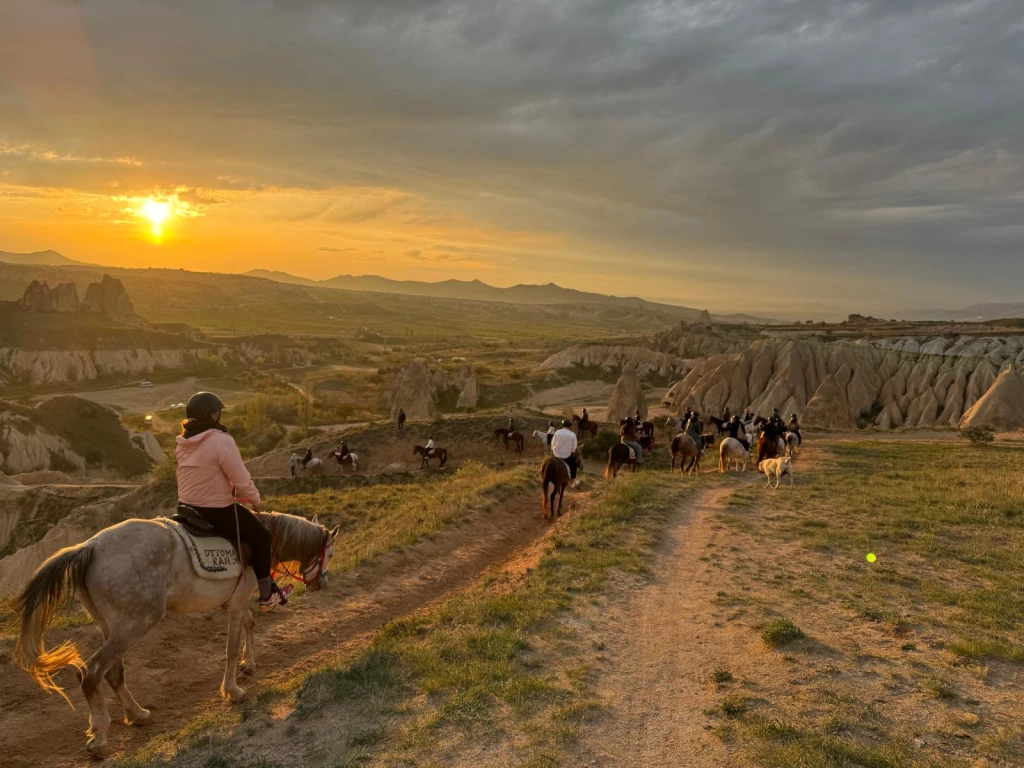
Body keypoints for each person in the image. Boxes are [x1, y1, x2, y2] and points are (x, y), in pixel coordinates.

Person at [176, 392, 293, 612]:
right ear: (212, 415)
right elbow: (240, 478)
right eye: (217, 412)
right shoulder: (221, 440)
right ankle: (267, 595)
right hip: (215, 509)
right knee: (262, 536)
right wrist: (255, 499)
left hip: (186, 507)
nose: (219, 415)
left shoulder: (184, 441)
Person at [551, 419, 580, 488]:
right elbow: (573, 448)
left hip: (556, 453)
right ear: (570, 426)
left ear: (563, 425)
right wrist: (571, 450)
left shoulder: (557, 432)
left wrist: (553, 449)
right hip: (566, 455)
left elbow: (553, 443)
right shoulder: (572, 434)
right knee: (573, 465)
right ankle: (573, 480)